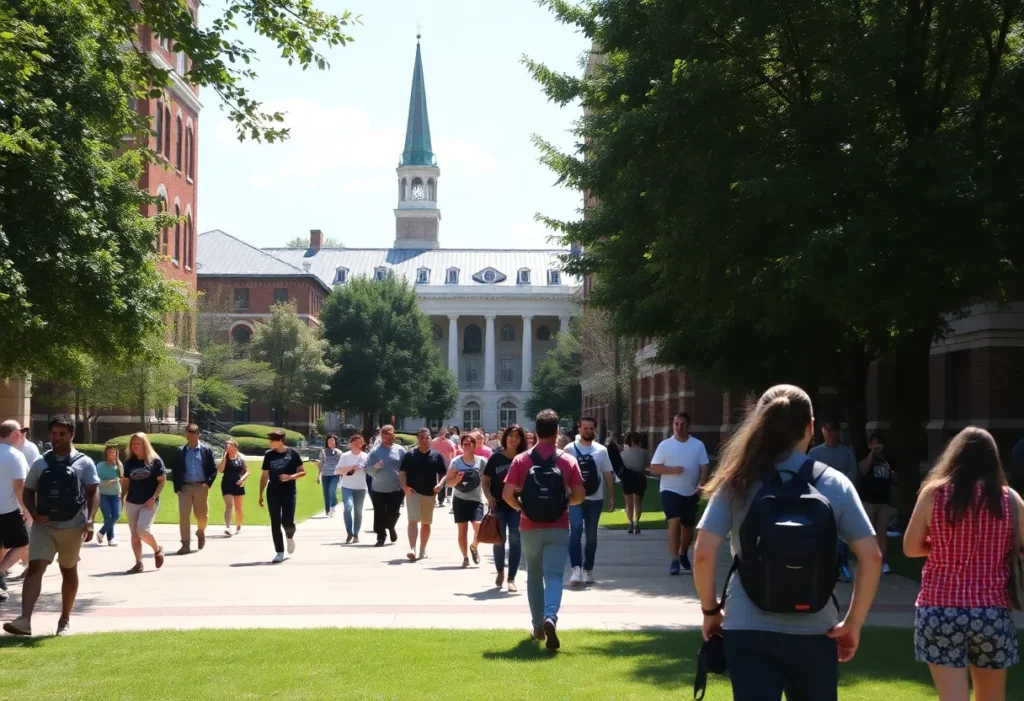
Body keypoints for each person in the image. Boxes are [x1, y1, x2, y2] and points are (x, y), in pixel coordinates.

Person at [693, 385, 882, 701]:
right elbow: (872, 556)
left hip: (748, 627)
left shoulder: (738, 479)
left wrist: (711, 610)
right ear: (811, 426)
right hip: (817, 629)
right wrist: (854, 622)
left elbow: (702, 553)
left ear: (760, 424)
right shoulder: (834, 483)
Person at [903, 427, 1022, 700]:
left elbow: (910, 548)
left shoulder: (933, 494)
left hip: (940, 608)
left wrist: (944, 546)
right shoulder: (1010, 500)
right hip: (991, 611)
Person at [3, 415, 99, 637]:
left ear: (72, 435)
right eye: (54, 433)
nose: (57, 437)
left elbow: (93, 492)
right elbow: (28, 491)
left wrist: (91, 521)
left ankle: (64, 620)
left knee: (68, 569)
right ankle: (24, 620)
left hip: (73, 525)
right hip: (43, 526)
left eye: (62, 434)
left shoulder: (84, 462)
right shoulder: (40, 463)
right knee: (35, 567)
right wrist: (34, 513)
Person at [503, 409, 585, 650]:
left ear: (535, 431)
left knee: (534, 578)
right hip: (558, 525)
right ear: (557, 431)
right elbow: (580, 495)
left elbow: (507, 494)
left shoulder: (521, 460)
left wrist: (522, 508)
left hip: (529, 526)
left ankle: (538, 627)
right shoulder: (567, 460)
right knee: (555, 576)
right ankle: (551, 615)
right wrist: (563, 504)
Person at [651, 412, 710, 575]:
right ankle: (674, 560)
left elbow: (704, 465)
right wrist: (670, 470)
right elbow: (654, 467)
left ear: (688, 426)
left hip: (691, 490)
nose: (678, 427)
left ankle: (683, 553)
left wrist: (702, 481)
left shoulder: (697, 445)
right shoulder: (665, 445)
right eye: (676, 424)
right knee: (674, 522)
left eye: (682, 424)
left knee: (688, 526)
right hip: (670, 490)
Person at [564, 416, 615, 586]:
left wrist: (612, 496)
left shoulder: (601, 450)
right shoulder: (569, 449)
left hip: (595, 498)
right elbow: (563, 474)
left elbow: (608, 473)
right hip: (575, 498)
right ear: (579, 429)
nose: (587, 431)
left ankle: (588, 570)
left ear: (595, 429)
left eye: (590, 428)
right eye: (584, 428)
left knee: (591, 537)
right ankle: (576, 569)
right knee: (575, 531)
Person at [809, 420, 859, 581]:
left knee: (842, 536)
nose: (830, 434)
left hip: (841, 501)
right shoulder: (815, 453)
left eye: (833, 430)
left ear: (838, 433)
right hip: (820, 501)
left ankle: (842, 566)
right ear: (822, 431)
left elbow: (853, 474)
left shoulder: (846, 453)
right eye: (827, 430)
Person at [483, 424, 526, 592]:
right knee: (499, 540)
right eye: (511, 436)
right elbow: (485, 482)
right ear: (505, 438)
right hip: (498, 506)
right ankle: (500, 571)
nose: (513, 439)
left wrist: (522, 489)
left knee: (515, 540)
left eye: (517, 436)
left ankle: (512, 577)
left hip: (516, 506)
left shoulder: (524, 458)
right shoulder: (496, 458)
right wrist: (488, 497)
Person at [258, 430, 306, 563]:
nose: (270, 442)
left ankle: (290, 536)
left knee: (287, 521)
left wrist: (290, 477)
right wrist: (260, 494)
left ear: (280, 440)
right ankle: (279, 551)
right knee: (275, 522)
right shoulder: (269, 455)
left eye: (272, 440)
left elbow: (303, 472)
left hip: (289, 491)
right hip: (273, 490)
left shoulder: (292, 453)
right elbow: (264, 475)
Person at [399, 428, 447, 561]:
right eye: (422, 438)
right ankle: (412, 548)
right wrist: (405, 487)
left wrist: (440, 484)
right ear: (418, 439)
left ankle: (422, 549)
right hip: (413, 492)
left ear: (431, 439)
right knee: (413, 520)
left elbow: (444, 474)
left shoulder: (436, 456)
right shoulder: (410, 455)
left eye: (427, 438)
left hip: (430, 494)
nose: (425, 440)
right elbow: (402, 472)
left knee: (426, 523)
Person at [122, 433, 167, 574]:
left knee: (142, 530)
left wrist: (153, 498)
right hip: (132, 502)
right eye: (133, 444)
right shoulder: (129, 462)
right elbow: (126, 482)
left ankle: (157, 549)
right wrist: (121, 497)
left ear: (145, 444)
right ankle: (138, 563)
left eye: (138, 443)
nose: (134, 446)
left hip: (149, 502)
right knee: (134, 535)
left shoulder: (155, 461)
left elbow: (162, 481)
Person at [172, 423, 217, 554]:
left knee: (202, 516)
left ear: (198, 434)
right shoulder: (181, 451)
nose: (190, 436)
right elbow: (176, 470)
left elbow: (213, 470)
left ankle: (201, 531)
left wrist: (207, 483)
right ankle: (185, 544)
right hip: (184, 488)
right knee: (184, 516)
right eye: (188, 433)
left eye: (192, 433)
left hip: (201, 487)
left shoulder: (206, 450)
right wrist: (177, 487)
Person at [858, 432, 897, 574]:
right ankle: (868, 561)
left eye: (878, 443)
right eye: (873, 443)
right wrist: (871, 456)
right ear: (869, 445)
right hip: (868, 500)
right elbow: (862, 471)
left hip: (884, 501)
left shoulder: (888, 460)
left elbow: (896, 478)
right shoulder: (866, 458)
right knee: (869, 532)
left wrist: (890, 470)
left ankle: (883, 561)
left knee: (881, 532)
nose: (876, 446)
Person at [446, 433, 486, 567]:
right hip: (460, 499)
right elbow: (449, 483)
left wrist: (491, 496)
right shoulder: (456, 461)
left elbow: (488, 481)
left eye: (469, 444)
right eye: (464, 444)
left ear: (474, 445)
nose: (467, 446)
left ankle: (474, 546)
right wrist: (456, 479)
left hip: (476, 499)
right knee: (462, 530)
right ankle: (465, 557)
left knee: (479, 528)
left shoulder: (481, 461)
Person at [0, 421, 30, 602]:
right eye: (21, 432)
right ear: (15, 434)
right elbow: (20, 486)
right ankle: (1, 572)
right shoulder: (15, 456)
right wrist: (26, 508)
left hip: (6, 509)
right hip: (8, 510)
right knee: (23, 544)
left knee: (2, 546)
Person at [366, 425, 406, 547]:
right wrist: (376, 466)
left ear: (394, 435)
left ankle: (391, 526)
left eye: (391, 434)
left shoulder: (401, 450)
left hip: (396, 487)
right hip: (379, 487)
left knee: (394, 512)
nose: (389, 437)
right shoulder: (374, 452)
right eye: (386, 435)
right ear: (382, 436)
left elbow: (406, 468)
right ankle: (380, 537)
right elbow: (368, 470)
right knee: (379, 513)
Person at [336, 433, 368, 543]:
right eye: (355, 442)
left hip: (360, 487)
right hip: (347, 486)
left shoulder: (365, 456)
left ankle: (356, 533)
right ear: (351, 444)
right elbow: (337, 471)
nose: (357, 444)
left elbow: (369, 470)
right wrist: (351, 468)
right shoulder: (345, 456)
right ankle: (349, 532)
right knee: (348, 507)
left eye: (359, 442)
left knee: (358, 511)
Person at [217, 440, 249, 535]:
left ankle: (238, 526)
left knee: (238, 507)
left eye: (230, 444)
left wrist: (242, 479)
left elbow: (247, 471)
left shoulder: (240, 459)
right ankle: (227, 526)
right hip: (227, 484)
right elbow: (220, 470)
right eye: (226, 444)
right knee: (229, 505)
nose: (227, 446)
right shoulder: (225, 459)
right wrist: (224, 458)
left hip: (238, 484)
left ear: (235, 447)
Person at [620, 432, 649, 534]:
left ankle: (630, 523)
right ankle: (637, 522)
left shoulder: (623, 453)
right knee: (637, 502)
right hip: (639, 477)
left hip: (627, 477)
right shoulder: (644, 452)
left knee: (628, 503)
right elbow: (648, 465)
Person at [95, 444, 124, 546]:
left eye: (114, 452)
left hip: (116, 494)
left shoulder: (119, 465)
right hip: (103, 494)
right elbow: (96, 480)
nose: (112, 454)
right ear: (106, 454)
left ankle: (101, 532)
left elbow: (121, 479)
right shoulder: (100, 465)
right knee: (108, 517)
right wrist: (107, 482)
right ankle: (111, 538)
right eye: (110, 452)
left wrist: (120, 488)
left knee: (116, 515)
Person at [316, 434, 343, 517]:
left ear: (335, 442)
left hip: (335, 474)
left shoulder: (339, 452)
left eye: (332, 440)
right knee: (326, 493)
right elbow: (321, 463)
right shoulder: (323, 451)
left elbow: (342, 464)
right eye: (329, 440)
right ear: (327, 442)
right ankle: (327, 510)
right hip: (325, 474)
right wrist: (318, 475)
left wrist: (342, 475)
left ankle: (334, 504)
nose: (331, 442)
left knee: (332, 490)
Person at [430, 429, 455, 506]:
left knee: (435, 481)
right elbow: (453, 452)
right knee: (442, 481)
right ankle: (441, 500)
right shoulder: (449, 442)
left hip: (436, 462)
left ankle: (435, 499)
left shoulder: (433, 441)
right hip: (445, 462)